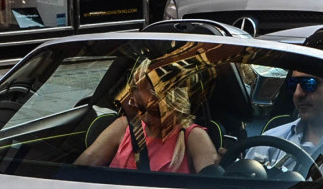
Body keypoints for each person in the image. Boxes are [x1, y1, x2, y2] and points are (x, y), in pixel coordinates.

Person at [75, 58, 219, 173]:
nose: (146, 118)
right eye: (140, 108)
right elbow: (78, 170)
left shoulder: (193, 137)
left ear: (177, 107)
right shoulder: (124, 127)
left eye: (156, 112)